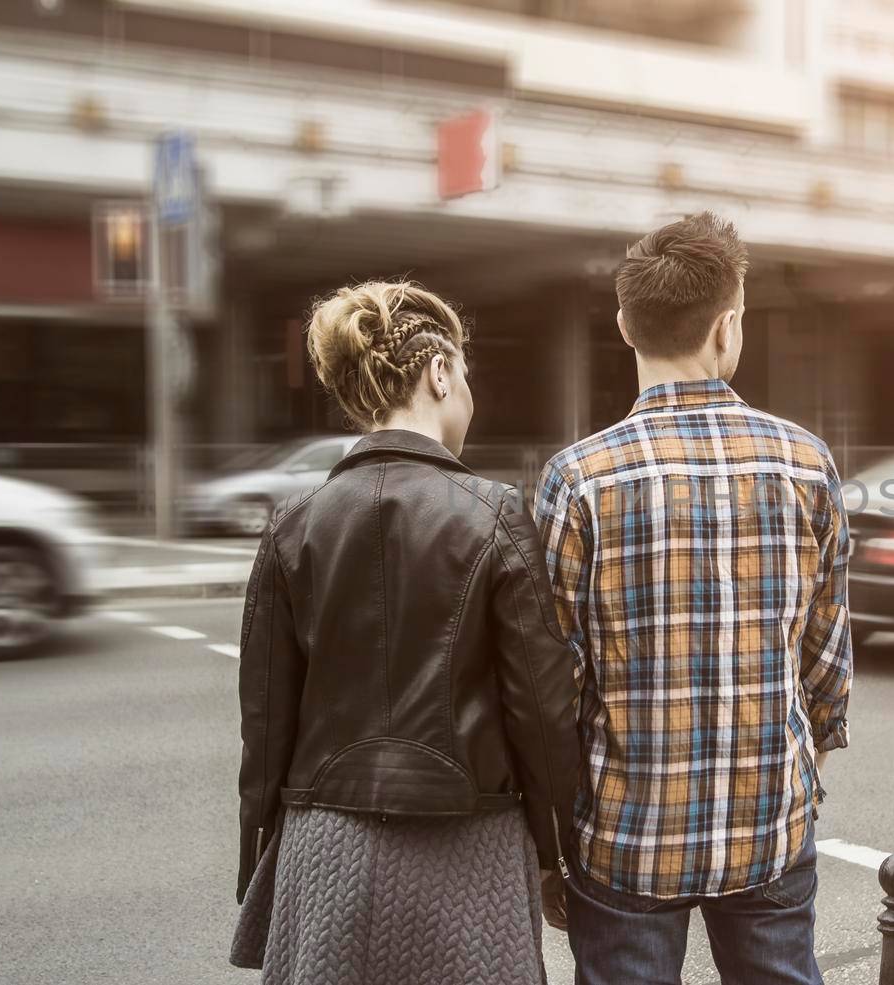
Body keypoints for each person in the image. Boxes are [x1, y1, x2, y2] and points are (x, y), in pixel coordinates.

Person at [533, 213, 854, 984]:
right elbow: (826, 656)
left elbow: (555, 682)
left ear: (623, 325)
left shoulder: (579, 478)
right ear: (728, 326)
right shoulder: (806, 464)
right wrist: (809, 754)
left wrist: (553, 837)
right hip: (767, 818)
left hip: (624, 830)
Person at [230, 281, 580, 985]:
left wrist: (257, 852)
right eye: (468, 376)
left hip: (323, 843)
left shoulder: (293, 522)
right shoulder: (495, 514)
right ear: (439, 371)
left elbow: (264, 720)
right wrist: (557, 850)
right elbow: (542, 713)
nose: (470, 395)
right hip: (469, 842)